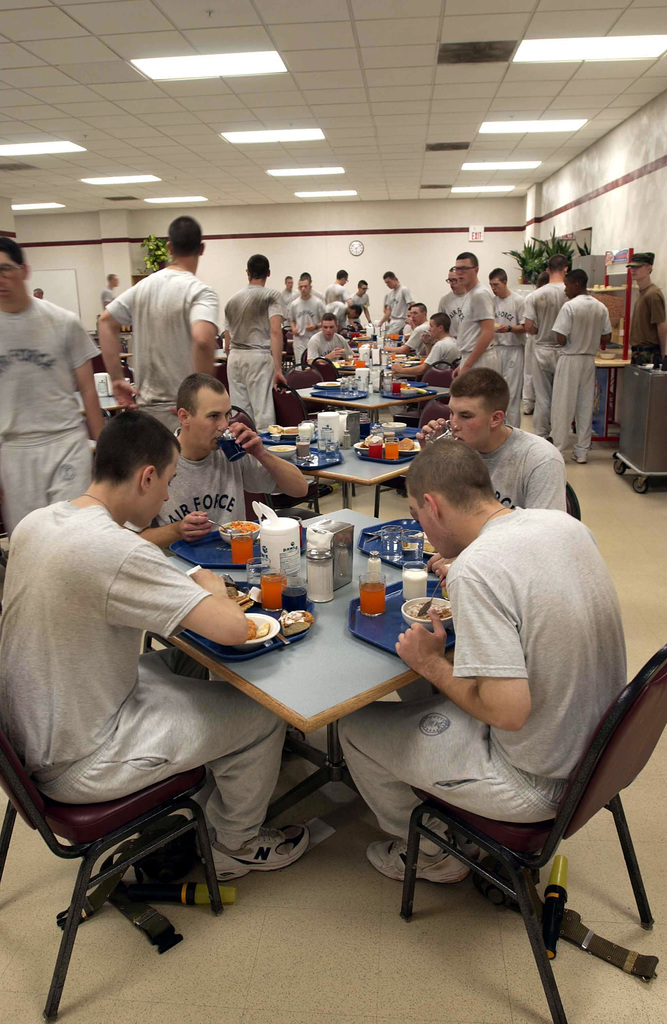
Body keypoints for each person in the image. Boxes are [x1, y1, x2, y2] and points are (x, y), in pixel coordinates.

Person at [0, 410, 309, 881]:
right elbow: (232, 629)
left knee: (177, 660)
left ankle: (209, 791)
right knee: (266, 711)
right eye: (167, 481)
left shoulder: (36, 522)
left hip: (34, 731)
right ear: (146, 477)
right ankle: (236, 844)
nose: (168, 495)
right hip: (80, 759)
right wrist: (209, 585)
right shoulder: (117, 550)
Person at [338, 439, 625, 883]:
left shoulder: (478, 567)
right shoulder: (562, 525)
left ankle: (434, 855)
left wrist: (431, 664)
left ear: (431, 506)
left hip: (539, 782)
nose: (424, 530)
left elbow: (508, 713)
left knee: (353, 727)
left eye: (417, 516)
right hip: (604, 753)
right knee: (435, 700)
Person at [0, 237, 104, 536]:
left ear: (24, 270)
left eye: (6, 269)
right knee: (27, 539)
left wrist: (104, 457)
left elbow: (88, 391)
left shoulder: (62, 322)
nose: (1, 278)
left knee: (71, 536)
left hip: (65, 443)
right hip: (15, 448)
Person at [140, 374, 307, 545]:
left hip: (234, 558)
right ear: (184, 417)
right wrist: (176, 530)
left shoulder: (231, 452)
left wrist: (261, 454)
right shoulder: (157, 463)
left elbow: (300, 489)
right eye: (213, 416)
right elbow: (130, 540)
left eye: (227, 415)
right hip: (183, 566)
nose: (223, 425)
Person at [99, 216, 218, 432]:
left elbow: (105, 322)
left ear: (169, 248)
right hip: (183, 411)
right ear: (201, 249)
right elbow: (202, 339)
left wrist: (117, 379)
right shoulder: (200, 292)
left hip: (146, 410)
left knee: (152, 466)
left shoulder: (142, 287)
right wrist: (204, 401)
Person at [420, 367, 566, 511]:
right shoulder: (455, 450)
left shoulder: (540, 459)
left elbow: (548, 531)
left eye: (465, 416)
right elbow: (429, 513)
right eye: (451, 413)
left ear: (495, 419)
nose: (454, 424)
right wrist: (430, 460)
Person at [551, 269, 611, 464]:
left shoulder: (569, 307)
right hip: (588, 360)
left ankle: (558, 450)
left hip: (570, 358)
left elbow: (560, 337)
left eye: (567, 285)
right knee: (585, 406)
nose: (565, 290)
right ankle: (582, 451)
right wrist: (590, 336)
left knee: (563, 406)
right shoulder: (600, 307)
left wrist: (574, 337)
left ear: (576, 284)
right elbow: (607, 336)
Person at [224, 253, 286, 433]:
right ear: (269, 273)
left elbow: (226, 341)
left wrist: (232, 358)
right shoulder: (271, 295)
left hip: (234, 357)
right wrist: (278, 369)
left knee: (239, 413)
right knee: (262, 414)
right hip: (258, 356)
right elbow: (275, 331)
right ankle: (264, 456)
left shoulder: (232, 300)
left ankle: (241, 457)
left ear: (247, 273)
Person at [522, 255, 568, 438]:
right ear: (566, 269)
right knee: (562, 397)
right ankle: (559, 436)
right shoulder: (571, 293)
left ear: (548, 270)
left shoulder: (535, 295)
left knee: (542, 397)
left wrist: (541, 328)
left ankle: (541, 435)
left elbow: (528, 327)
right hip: (566, 351)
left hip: (541, 347)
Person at [489, 268, 526, 428]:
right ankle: (497, 429)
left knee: (511, 394)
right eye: (491, 285)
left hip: (513, 349)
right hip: (496, 348)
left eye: (496, 285)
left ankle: (514, 431)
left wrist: (510, 328)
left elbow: (525, 326)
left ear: (505, 282)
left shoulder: (518, 301)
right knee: (495, 393)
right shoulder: (491, 301)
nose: (493, 288)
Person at [452, 252, 496, 378]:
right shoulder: (470, 294)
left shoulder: (480, 294)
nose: (459, 272)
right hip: (470, 357)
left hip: (481, 359)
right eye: (457, 268)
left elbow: (488, 332)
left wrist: (467, 365)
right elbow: (471, 333)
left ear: (475, 270)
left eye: (464, 268)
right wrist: (463, 364)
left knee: (477, 398)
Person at [626, 252, 666, 364]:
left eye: (638, 267)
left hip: (649, 352)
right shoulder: (641, 293)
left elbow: (661, 325)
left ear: (649, 268)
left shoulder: (652, 294)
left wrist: (663, 355)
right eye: (631, 267)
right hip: (638, 351)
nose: (633, 270)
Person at [392, 312, 459, 378]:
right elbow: (433, 362)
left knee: (395, 376)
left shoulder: (440, 345)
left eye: (431, 326)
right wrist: (428, 345)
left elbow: (422, 369)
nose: (429, 329)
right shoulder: (455, 342)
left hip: (436, 379)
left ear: (440, 328)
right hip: (448, 379)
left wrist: (400, 370)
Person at [523, 270, 549, 415]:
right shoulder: (559, 296)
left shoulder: (532, 297)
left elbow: (529, 326)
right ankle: (537, 406)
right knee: (545, 379)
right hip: (550, 341)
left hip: (534, 338)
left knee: (529, 373)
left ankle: (528, 404)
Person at [290, 273, 325, 366]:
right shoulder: (294, 304)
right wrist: (293, 328)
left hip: (314, 339)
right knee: (300, 365)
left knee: (314, 365)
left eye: (305, 286)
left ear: (310, 287)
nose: (303, 289)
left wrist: (315, 326)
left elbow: (325, 321)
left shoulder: (318, 303)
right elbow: (292, 319)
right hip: (299, 340)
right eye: (301, 287)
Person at [437, 268, 466, 340]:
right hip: (452, 340)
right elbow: (440, 323)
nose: (451, 284)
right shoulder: (445, 300)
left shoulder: (472, 297)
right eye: (449, 280)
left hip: (470, 340)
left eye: (454, 280)